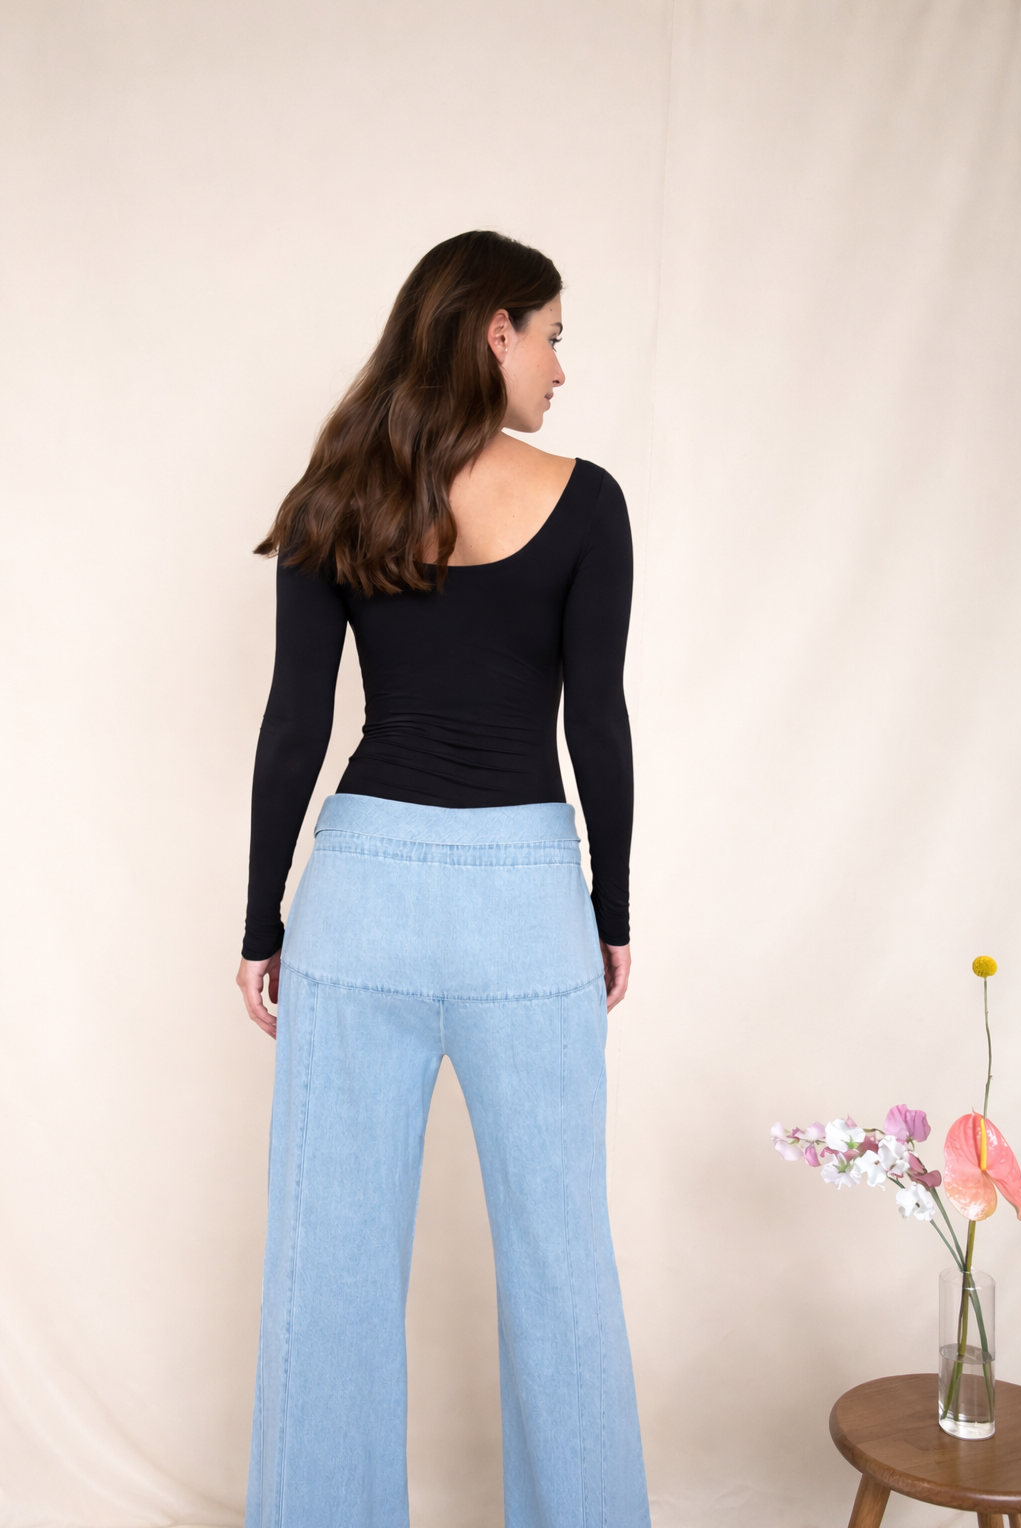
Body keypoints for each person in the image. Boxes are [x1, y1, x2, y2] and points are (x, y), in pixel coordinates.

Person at [236, 230, 650, 1528]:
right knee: (562, 1264)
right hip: (525, 900)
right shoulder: (587, 502)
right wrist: (610, 915)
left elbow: (295, 723)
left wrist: (264, 922)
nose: (560, 366)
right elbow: (600, 727)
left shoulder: (342, 488)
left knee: (330, 1270)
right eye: (553, 335)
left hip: (358, 896)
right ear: (496, 331)